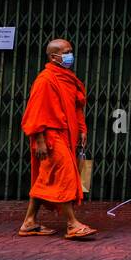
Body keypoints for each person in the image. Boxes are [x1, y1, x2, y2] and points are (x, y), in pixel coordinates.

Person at [17, 38, 96, 240]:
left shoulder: (67, 77)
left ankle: (29, 222)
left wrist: (82, 129)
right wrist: (40, 141)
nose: (70, 55)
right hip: (50, 137)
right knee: (65, 176)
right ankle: (72, 224)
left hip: (66, 135)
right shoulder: (45, 80)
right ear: (54, 57)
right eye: (66, 52)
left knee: (46, 178)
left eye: (71, 51)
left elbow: (77, 105)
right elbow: (35, 112)